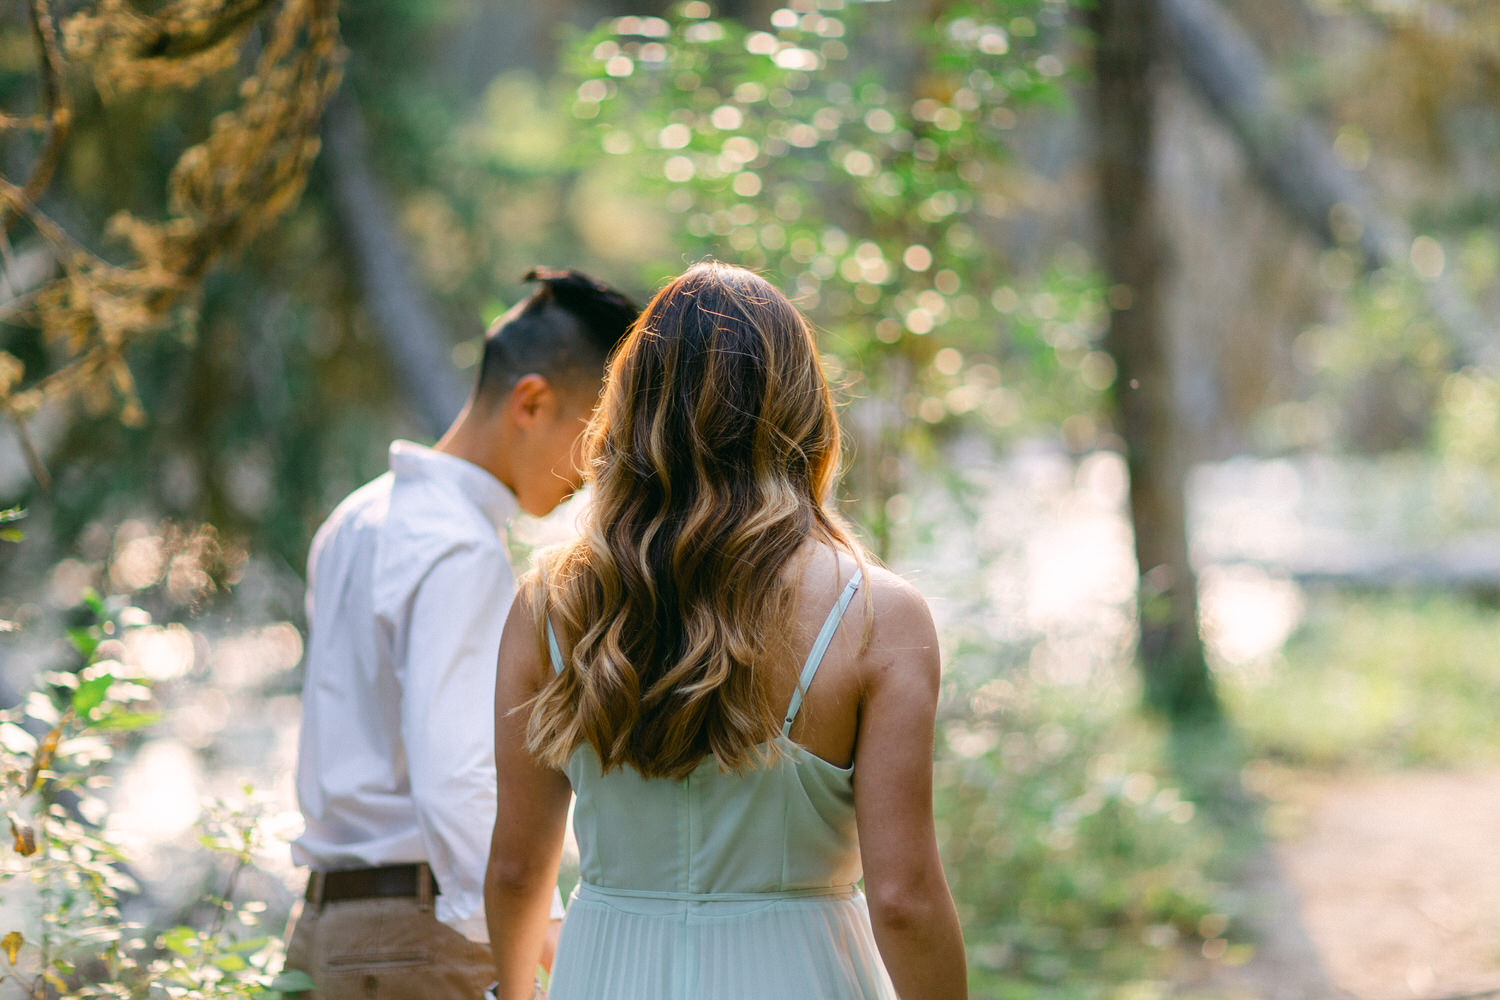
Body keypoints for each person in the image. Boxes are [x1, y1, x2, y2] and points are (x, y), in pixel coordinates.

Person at [483, 262, 967, 1000]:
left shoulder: (550, 605)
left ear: (631, 406)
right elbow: (904, 899)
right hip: (802, 972)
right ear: (802, 409)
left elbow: (519, 870)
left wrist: (515, 993)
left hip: (610, 973)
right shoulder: (877, 616)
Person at [284, 268, 639, 1000]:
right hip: (420, 942)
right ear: (532, 401)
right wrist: (547, 942)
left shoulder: (358, 517)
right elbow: (461, 776)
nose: (598, 470)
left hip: (323, 928)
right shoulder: (459, 548)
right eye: (595, 436)